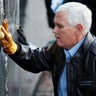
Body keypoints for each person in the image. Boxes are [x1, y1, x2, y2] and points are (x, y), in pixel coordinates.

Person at [1, 2, 96, 96]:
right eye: (55, 25)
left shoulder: (93, 55)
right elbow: (37, 59)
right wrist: (13, 48)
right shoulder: (58, 48)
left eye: (60, 26)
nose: (54, 30)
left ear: (78, 29)